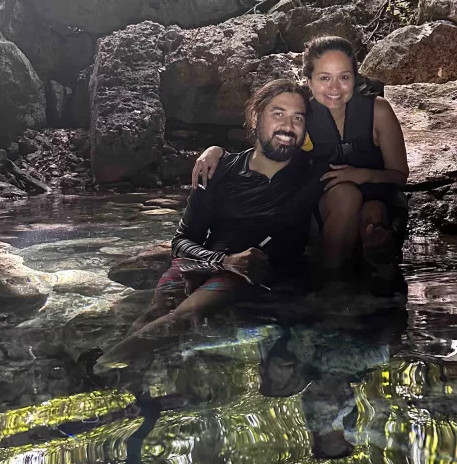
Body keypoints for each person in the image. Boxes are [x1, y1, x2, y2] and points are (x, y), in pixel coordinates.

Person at [97, 79, 322, 368]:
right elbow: (181, 241)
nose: (288, 126)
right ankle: (125, 382)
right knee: (155, 313)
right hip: (210, 260)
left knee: (182, 316)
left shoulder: (311, 171)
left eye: (298, 117)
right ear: (256, 118)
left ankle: (101, 372)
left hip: (250, 272)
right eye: (278, 114)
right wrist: (223, 260)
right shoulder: (219, 170)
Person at [193, 35, 409, 275]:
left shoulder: (377, 110)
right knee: (346, 195)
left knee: (373, 218)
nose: (334, 88)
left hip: (379, 195)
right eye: (324, 78)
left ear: (355, 78)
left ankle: (374, 290)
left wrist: (363, 174)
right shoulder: (302, 113)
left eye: (344, 77)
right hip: (331, 200)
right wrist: (217, 152)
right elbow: (266, 146)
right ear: (309, 81)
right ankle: (331, 284)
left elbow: (400, 176)